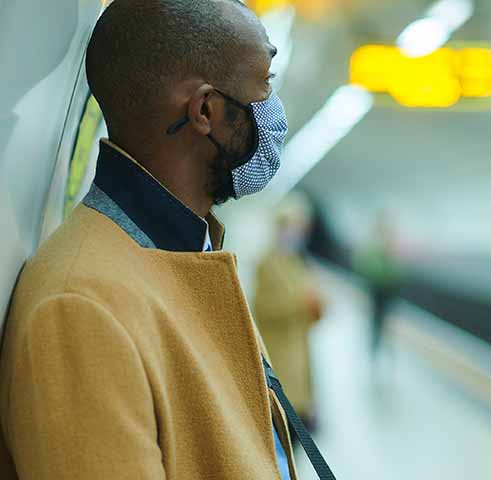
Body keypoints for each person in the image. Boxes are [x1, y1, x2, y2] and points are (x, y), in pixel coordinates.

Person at [0, 2, 333, 479]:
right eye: (264, 84)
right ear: (204, 111)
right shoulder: (80, 308)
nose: (272, 112)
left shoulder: (183, 251)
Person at [254, 192, 323, 435]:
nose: (296, 233)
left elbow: (310, 311)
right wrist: (302, 302)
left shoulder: (298, 263)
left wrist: (317, 307)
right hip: (279, 362)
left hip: (301, 362)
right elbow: (263, 309)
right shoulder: (266, 264)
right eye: (292, 226)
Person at [353, 214, 400, 357]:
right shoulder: (372, 247)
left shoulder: (388, 247)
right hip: (376, 289)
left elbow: (397, 269)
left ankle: (380, 344)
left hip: (388, 290)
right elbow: (364, 266)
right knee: (376, 320)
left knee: (383, 319)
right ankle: (375, 345)